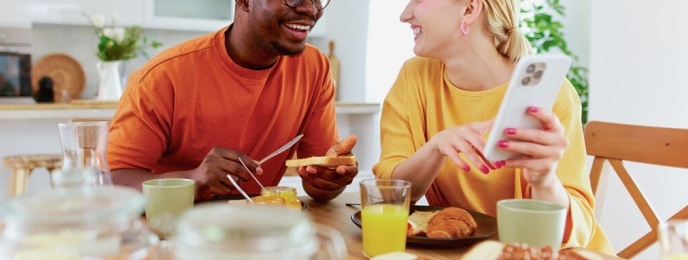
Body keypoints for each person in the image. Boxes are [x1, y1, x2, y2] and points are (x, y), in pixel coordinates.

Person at [372, 0, 613, 254]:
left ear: (469, 9)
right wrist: (435, 147)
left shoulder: (552, 96)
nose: (404, 14)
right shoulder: (415, 77)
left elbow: (579, 232)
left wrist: (544, 180)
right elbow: (390, 194)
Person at [107, 0, 358, 202]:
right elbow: (111, 183)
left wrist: (329, 181)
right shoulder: (163, 76)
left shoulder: (314, 68)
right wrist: (191, 180)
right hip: (175, 234)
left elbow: (318, 184)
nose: (309, 8)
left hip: (262, 233)